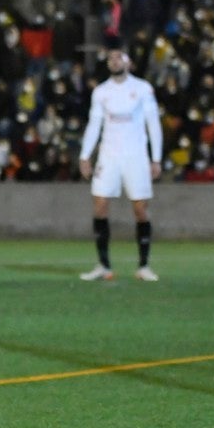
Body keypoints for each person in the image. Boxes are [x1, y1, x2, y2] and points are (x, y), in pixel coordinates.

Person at [78, 49, 163, 282]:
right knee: (100, 205)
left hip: (135, 155)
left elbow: (153, 124)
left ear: (129, 62)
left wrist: (156, 157)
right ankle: (104, 265)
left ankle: (144, 265)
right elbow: (94, 124)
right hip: (109, 155)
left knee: (140, 209)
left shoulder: (143, 89)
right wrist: (85, 155)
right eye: (111, 59)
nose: (114, 61)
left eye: (119, 58)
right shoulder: (101, 92)